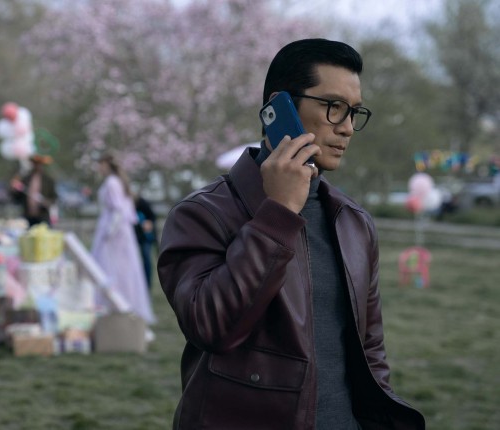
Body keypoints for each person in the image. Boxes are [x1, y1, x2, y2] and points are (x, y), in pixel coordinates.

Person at [157, 39, 425, 429]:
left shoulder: (354, 222)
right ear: (278, 109)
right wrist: (279, 213)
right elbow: (211, 327)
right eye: (334, 106)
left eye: (354, 112)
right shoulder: (202, 213)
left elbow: (371, 350)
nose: (347, 127)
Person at [91, 153, 155, 327]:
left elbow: (118, 210)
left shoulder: (112, 182)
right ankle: (119, 303)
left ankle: (113, 304)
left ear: (107, 165)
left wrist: (109, 233)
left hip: (114, 231)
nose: (99, 168)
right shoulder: (118, 182)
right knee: (121, 268)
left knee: (112, 267)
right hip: (119, 230)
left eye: (101, 164)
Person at [10, 154, 57, 227]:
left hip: (42, 215)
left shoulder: (48, 180)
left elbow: (53, 197)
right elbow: (17, 197)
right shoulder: (26, 179)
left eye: (39, 164)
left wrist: (47, 202)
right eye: (36, 164)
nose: (37, 166)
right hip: (28, 216)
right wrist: (14, 189)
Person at [134, 193, 158, 290]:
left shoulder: (140, 202)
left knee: (146, 260)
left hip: (145, 237)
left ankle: (147, 286)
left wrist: (148, 223)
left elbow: (152, 217)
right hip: (134, 237)